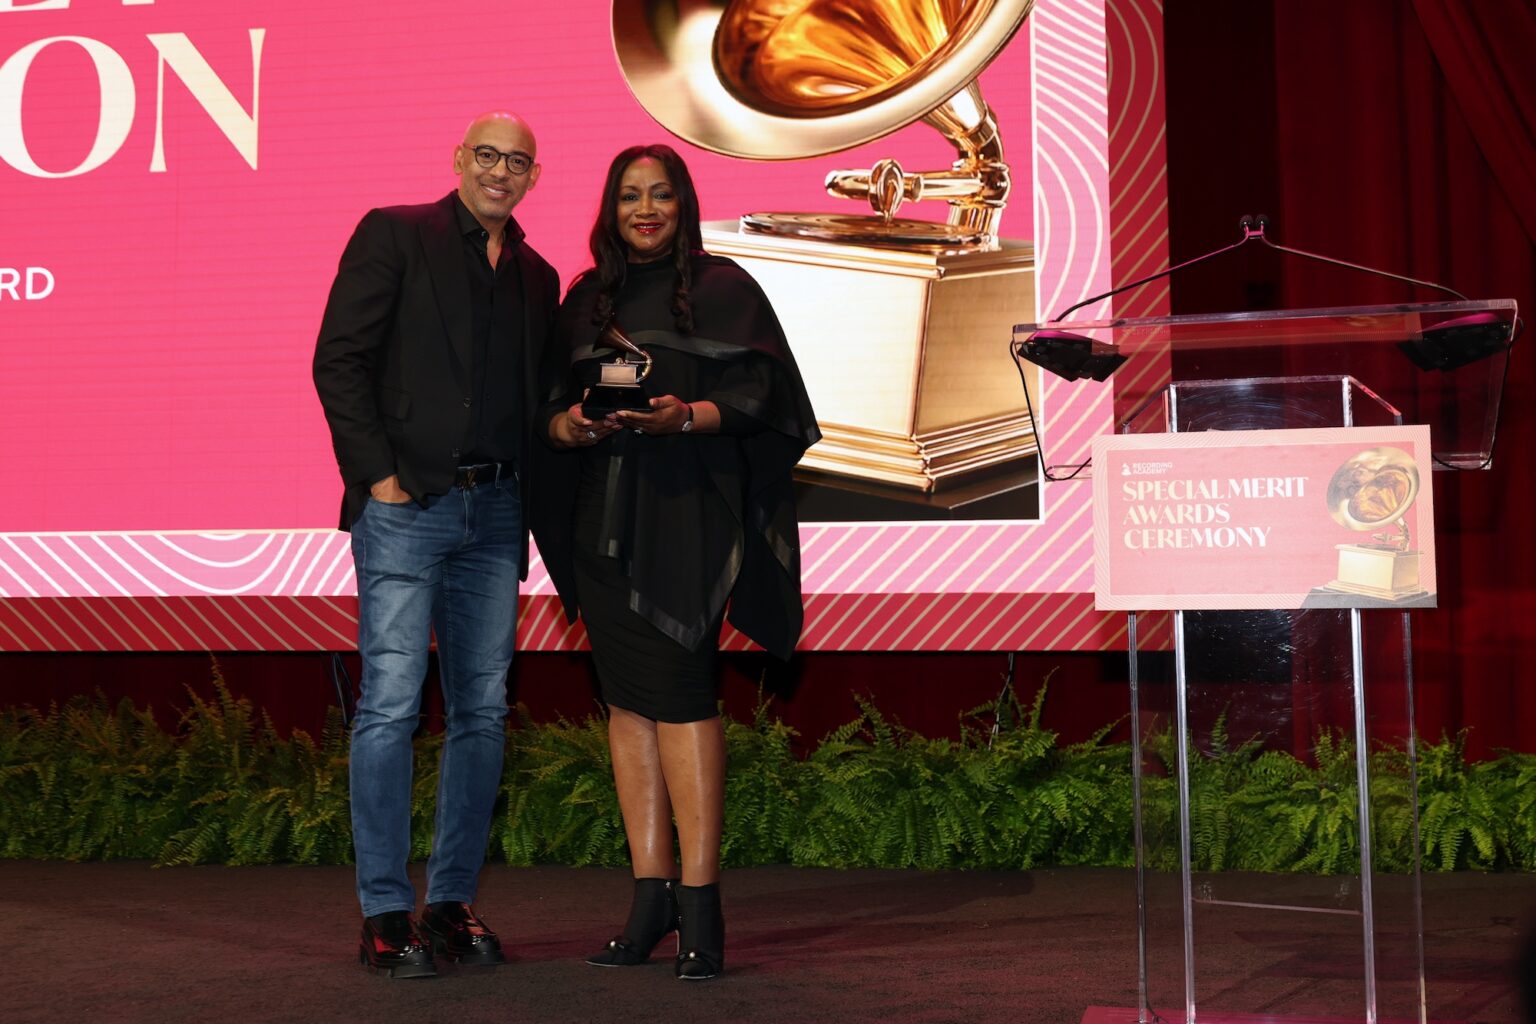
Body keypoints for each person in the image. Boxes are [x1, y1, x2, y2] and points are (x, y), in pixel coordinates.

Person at [532, 144, 819, 980]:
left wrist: (686, 415)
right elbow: (546, 410)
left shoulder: (727, 289)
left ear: (683, 203)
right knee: (626, 705)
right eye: (630, 196)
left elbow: (771, 398)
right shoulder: (585, 300)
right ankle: (649, 898)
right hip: (599, 523)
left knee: (684, 698)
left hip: (685, 516)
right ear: (611, 208)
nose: (646, 209)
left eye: (660, 194)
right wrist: (571, 426)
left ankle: (702, 905)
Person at [312, 111, 559, 979]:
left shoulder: (538, 276)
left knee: (482, 711)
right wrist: (378, 476)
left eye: (517, 161)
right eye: (487, 154)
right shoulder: (395, 233)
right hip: (405, 507)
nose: (500, 171)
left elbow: (535, 400)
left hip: (496, 513)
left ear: (533, 177)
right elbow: (338, 360)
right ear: (459, 159)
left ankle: (450, 905)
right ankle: (385, 914)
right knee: (389, 704)